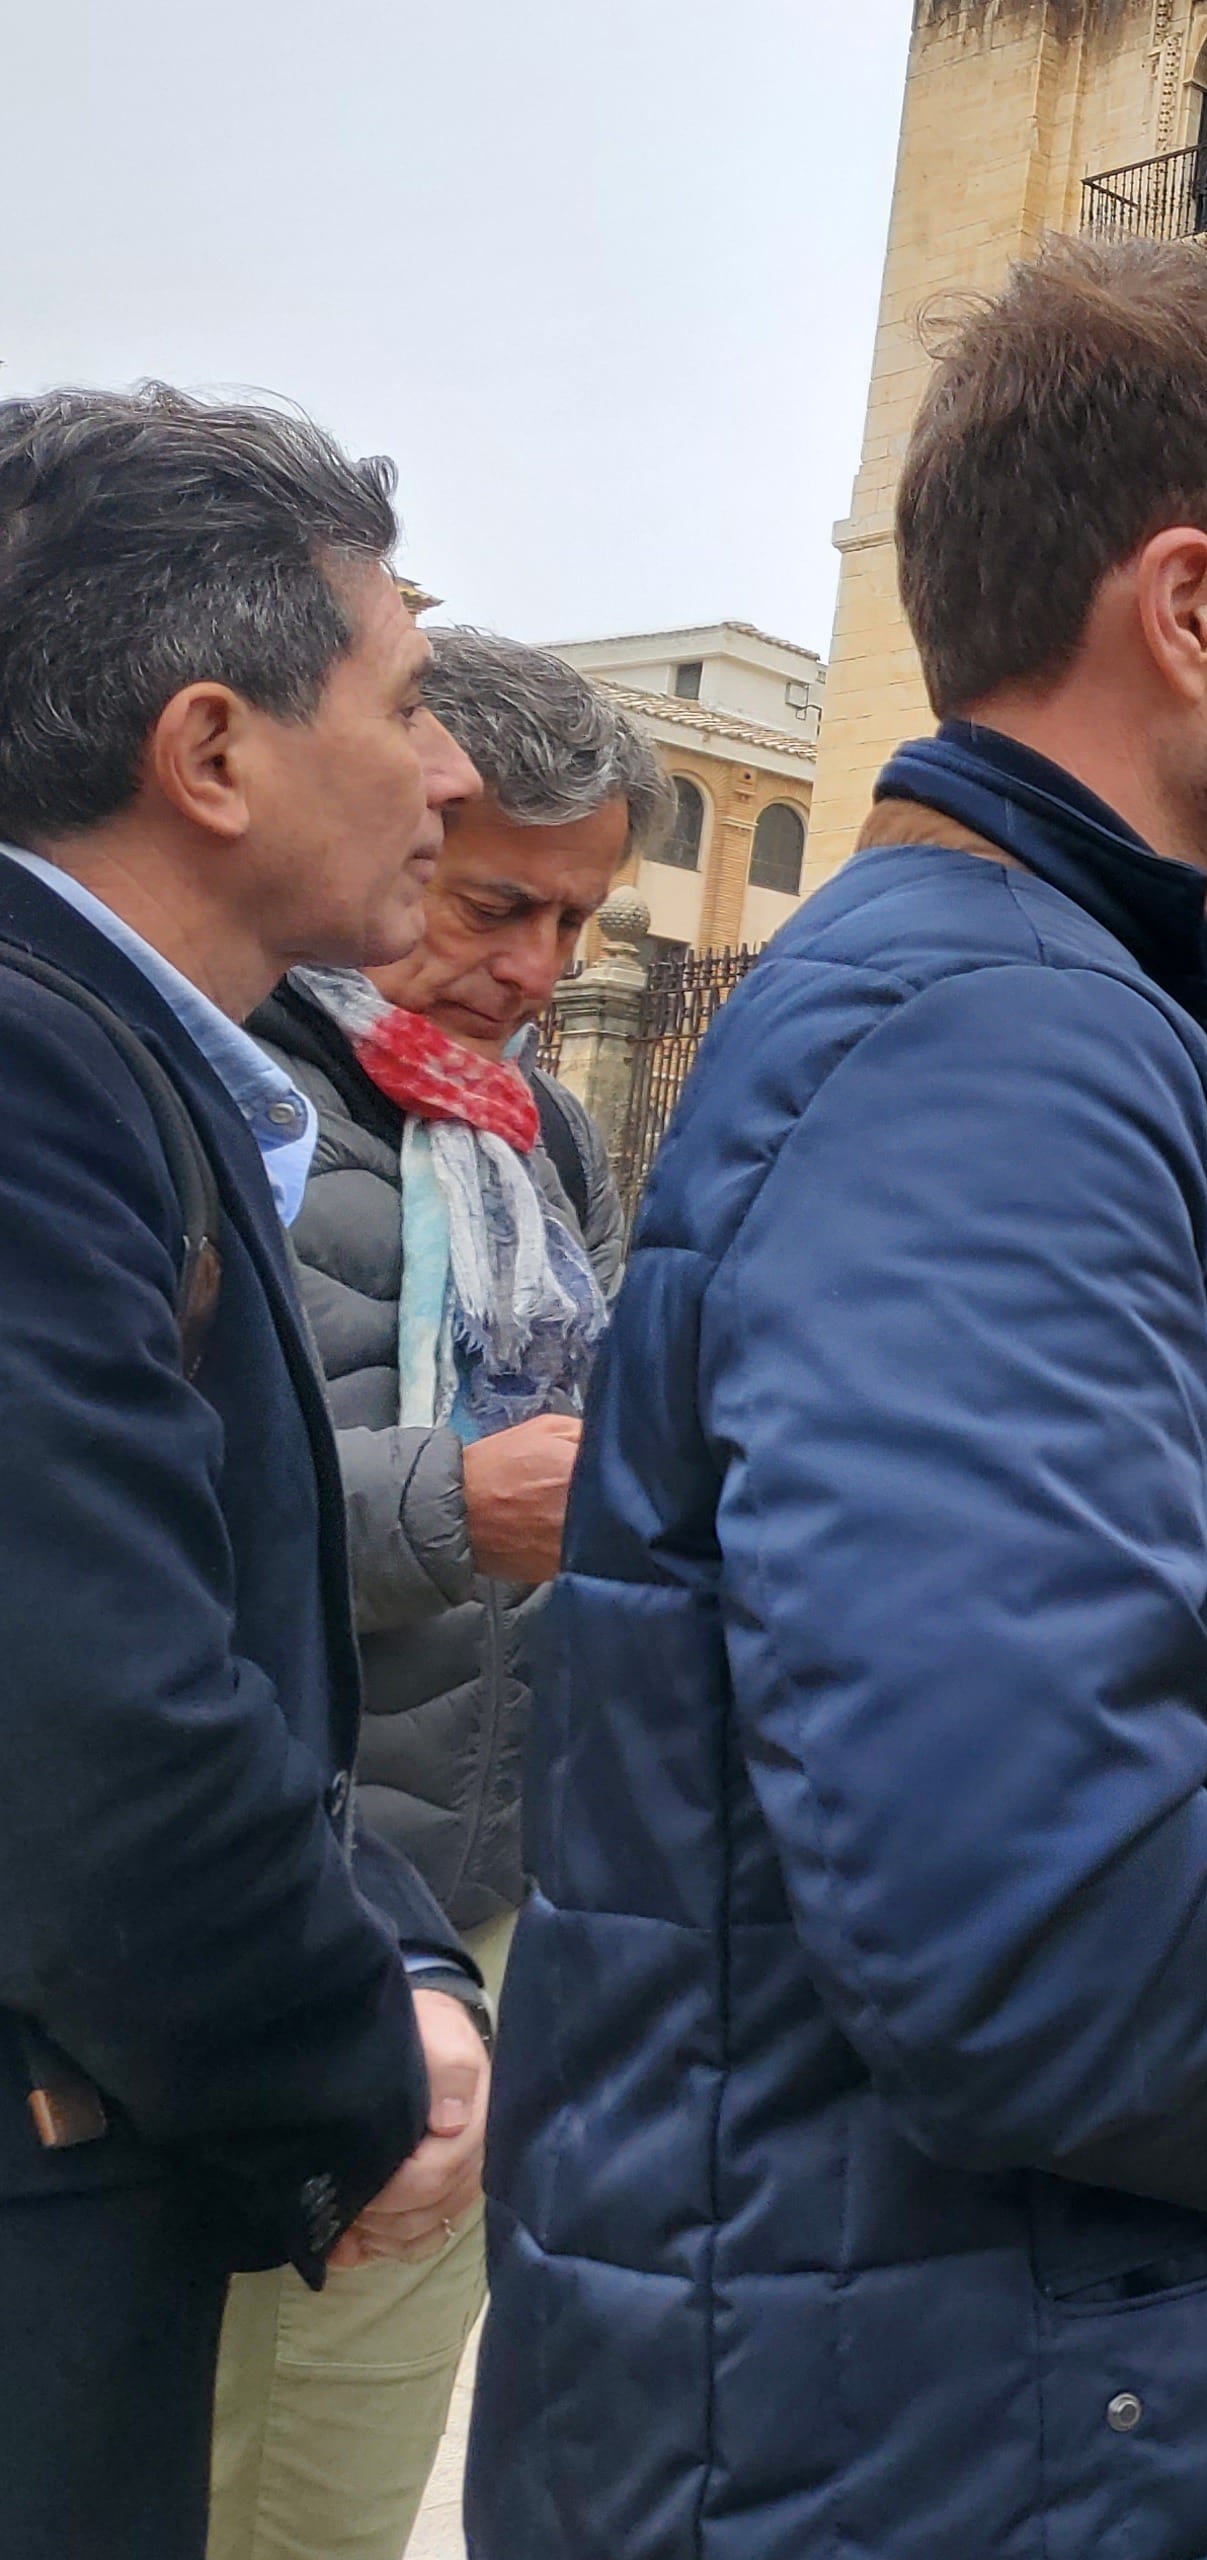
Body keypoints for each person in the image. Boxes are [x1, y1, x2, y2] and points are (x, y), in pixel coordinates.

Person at [472, 239, 1207, 2560]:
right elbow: (1031, 1907)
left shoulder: (1074, 1023)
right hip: (956, 2449)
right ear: (1189, 608)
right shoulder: (997, 1052)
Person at [0, 386, 494, 2560]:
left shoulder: (113, 1069)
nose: (449, 773)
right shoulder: (35, 1071)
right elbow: (93, 1699)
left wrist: (402, 1963)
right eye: (401, 700)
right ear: (210, 752)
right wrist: (357, 2060)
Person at [211, 628, 667, 2560]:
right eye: (499, 903)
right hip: (273, 1899)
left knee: (347, 2455)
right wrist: (446, 1506)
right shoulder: (221, 1076)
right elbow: (128, 1512)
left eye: (579, 921)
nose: (542, 971)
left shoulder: (528, 1124)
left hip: (487, 1888)